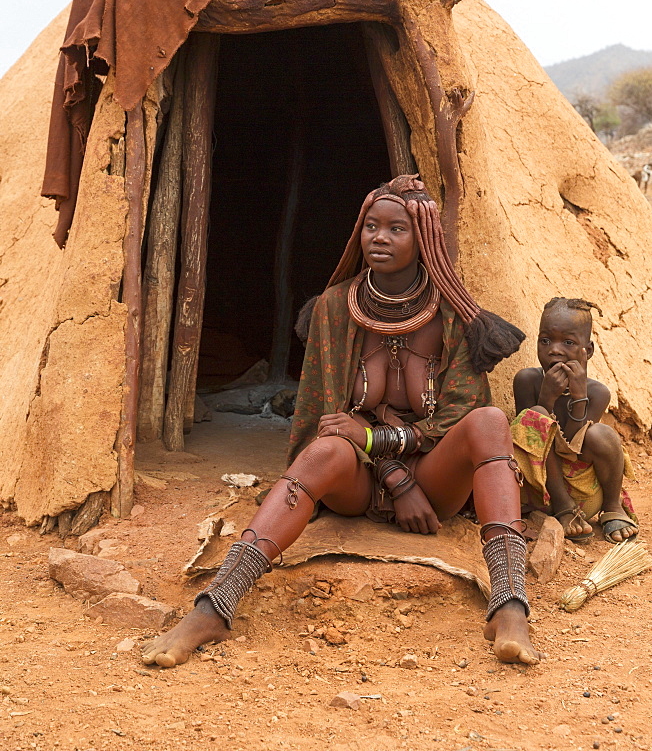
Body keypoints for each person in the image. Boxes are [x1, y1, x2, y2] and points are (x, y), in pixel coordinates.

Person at [142, 175, 540, 669]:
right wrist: (394, 477)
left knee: (489, 421)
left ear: (426, 240)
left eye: (397, 229)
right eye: (371, 226)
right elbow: (322, 424)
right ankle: (215, 606)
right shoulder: (334, 309)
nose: (379, 237)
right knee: (325, 451)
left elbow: (458, 413)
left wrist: (384, 442)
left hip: (436, 481)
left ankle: (509, 603)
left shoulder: (455, 317)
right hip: (355, 483)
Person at [512, 297, 638, 544]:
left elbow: (573, 447)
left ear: (587, 351)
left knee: (602, 434)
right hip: (543, 491)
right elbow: (531, 447)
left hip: (585, 493)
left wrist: (579, 397)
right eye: (545, 340)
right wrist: (546, 399)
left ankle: (613, 507)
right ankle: (564, 507)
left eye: (568, 342)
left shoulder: (598, 393)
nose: (554, 350)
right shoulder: (526, 380)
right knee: (536, 414)